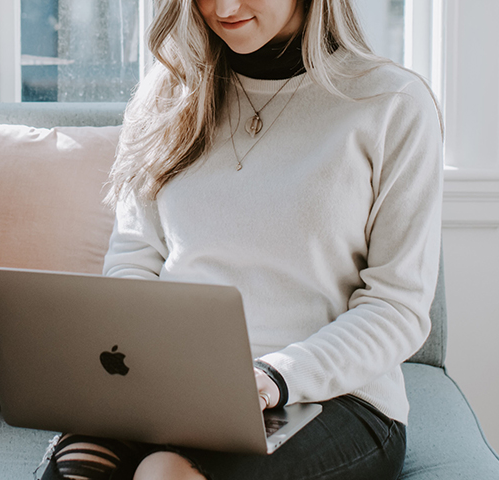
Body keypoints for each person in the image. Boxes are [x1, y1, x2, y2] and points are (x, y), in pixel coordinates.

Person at [38, 0, 443, 478]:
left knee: (165, 473)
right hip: (176, 385)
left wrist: (273, 378)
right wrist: (139, 366)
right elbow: (135, 256)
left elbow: (397, 309)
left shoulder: (392, 103)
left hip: (333, 395)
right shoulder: (168, 90)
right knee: (76, 469)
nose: (223, 7)